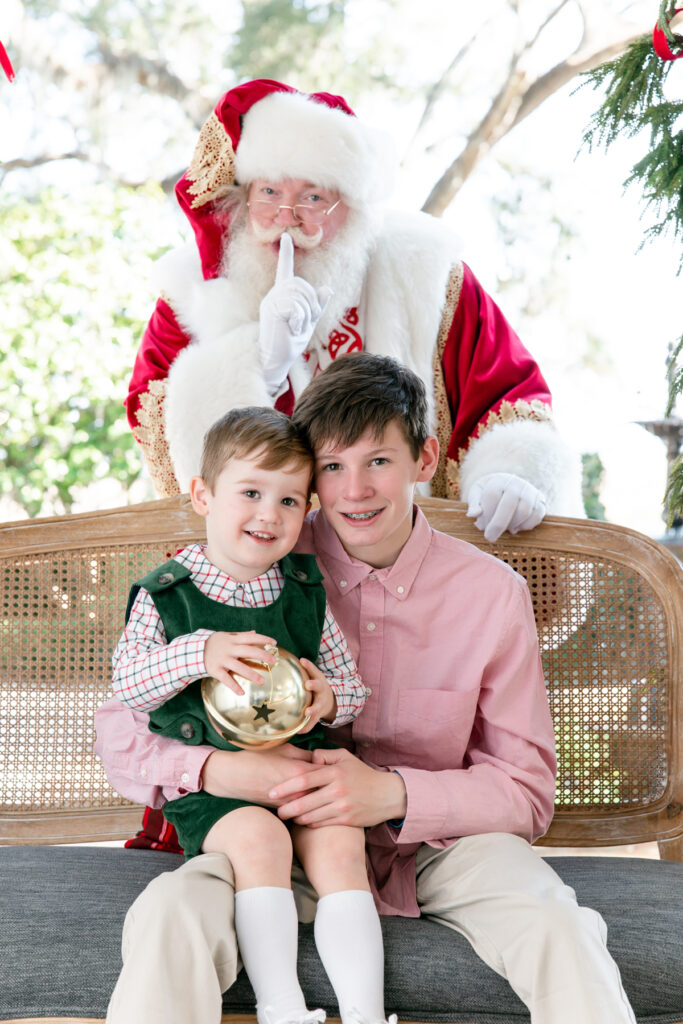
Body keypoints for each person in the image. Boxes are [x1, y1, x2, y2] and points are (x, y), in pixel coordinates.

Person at [96, 353, 636, 1024]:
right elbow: (120, 729)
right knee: (170, 914)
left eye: (377, 460)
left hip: (443, 849)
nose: (354, 490)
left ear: (425, 458)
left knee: (556, 925)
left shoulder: (492, 595)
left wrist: (393, 793)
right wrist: (218, 769)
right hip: (279, 841)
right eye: (331, 467)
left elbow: (525, 792)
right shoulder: (264, 560)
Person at [127, 78, 582, 542]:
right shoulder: (190, 293)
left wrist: (509, 474)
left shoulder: (425, 272)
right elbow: (162, 436)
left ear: (354, 207)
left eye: (313, 197)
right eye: (268, 193)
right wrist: (257, 366)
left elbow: (508, 392)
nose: (287, 216)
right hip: (273, 575)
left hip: (419, 567)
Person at [106, 405, 394, 1024]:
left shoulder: (303, 589)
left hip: (301, 774)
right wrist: (199, 652)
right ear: (203, 495)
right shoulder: (166, 595)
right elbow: (129, 685)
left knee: (343, 840)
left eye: (291, 501)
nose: (270, 514)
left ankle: (366, 1013)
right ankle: (282, 1007)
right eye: (251, 493)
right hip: (219, 797)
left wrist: (330, 697)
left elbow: (353, 685)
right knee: (260, 839)